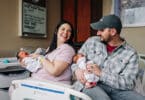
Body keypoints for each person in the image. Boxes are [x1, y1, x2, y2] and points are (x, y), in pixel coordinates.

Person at [71, 14, 145, 100]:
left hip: (117, 90)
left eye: (101, 30)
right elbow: (76, 60)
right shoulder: (92, 42)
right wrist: (76, 70)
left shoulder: (130, 53)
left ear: (113, 32)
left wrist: (101, 74)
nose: (98, 33)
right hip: (91, 85)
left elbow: (129, 83)